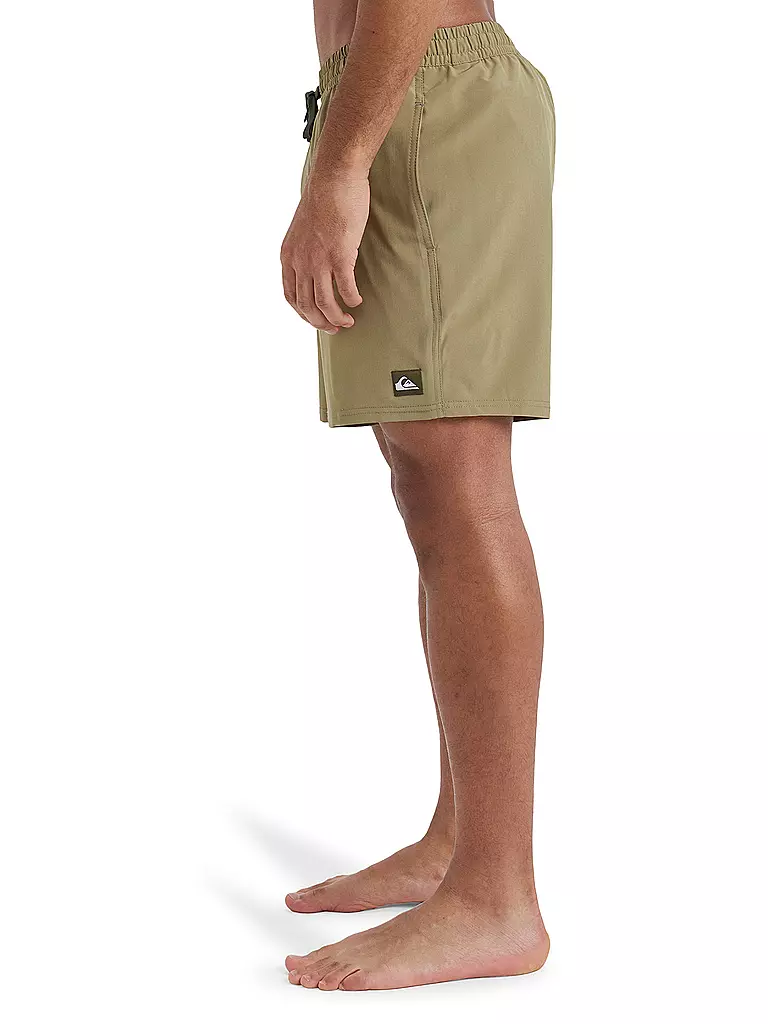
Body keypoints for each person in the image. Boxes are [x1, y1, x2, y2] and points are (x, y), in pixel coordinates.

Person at [279, 0, 555, 991]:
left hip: (421, 96)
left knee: (459, 481)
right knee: (426, 481)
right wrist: (341, 140)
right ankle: (456, 846)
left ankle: (496, 896)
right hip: (392, 97)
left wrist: (341, 166)